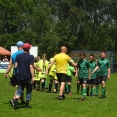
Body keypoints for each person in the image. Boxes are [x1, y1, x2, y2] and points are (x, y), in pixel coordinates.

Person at [13, 43, 34, 109]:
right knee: (28, 91)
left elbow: (15, 66)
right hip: (28, 76)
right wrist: (33, 77)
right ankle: (27, 105)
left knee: (19, 90)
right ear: (29, 49)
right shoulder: (31, 57)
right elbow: (31, 66)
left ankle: (16, 99)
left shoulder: (18, 56)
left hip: (20, 76)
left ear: (23, 48)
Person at [5, 41, 25, 106]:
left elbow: (10, 64)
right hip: (24, 73)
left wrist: (7, 72)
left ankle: (22, 100)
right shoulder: (25, 53)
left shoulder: (13, 55)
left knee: (20, 87)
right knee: (20, 88)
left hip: (16, 73)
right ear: (23, 46)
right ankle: (14, 99)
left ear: (17, 46)